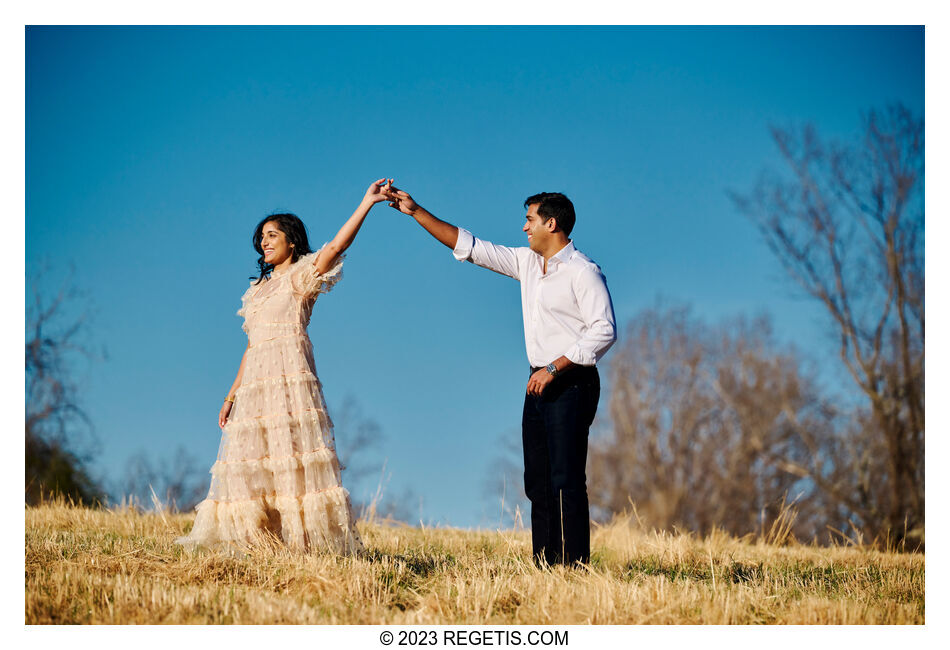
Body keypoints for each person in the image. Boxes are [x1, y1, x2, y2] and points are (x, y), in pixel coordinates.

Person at [386, 187, 616, 566]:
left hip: (571, 382)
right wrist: (415, 212)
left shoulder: (583, 272)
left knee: (565, 479)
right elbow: (469, 246)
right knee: (537, 482)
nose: (524, 227)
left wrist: (555, 367)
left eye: (530, 219)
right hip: (537, 383)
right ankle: (546, 565)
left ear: (551, 223)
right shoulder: (526, 262)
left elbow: (604, 330)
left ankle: (574, 567)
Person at [175, 178, 394, 554]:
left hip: (289, 380)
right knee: (252, 464)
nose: (265, 241)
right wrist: (231, 396)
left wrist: (367, 203)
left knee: (290, 460)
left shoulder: (301, 276)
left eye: (273, 235)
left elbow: (338, 245)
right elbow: (251, 347)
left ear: (292, 241)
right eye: (262, 237)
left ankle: (301, 545)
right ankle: (255, 543)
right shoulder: (255, 292)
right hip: (256, 386)